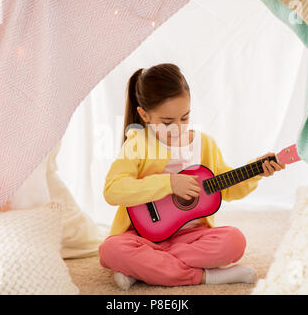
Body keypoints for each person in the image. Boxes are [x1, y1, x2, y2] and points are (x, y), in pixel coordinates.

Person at [99, 63, 285, 290]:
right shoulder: (137, 145)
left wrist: (255, 172)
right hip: (142, 236)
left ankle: (144, 269)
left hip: (192, 237)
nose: (177, 128)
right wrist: (168, 183)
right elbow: (113, 190)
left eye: (184, 118)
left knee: (234, 241)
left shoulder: (204, 144)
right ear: (144, 115)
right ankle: (207, 276)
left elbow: (226, 188)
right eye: (167, 122)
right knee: (111, 250)